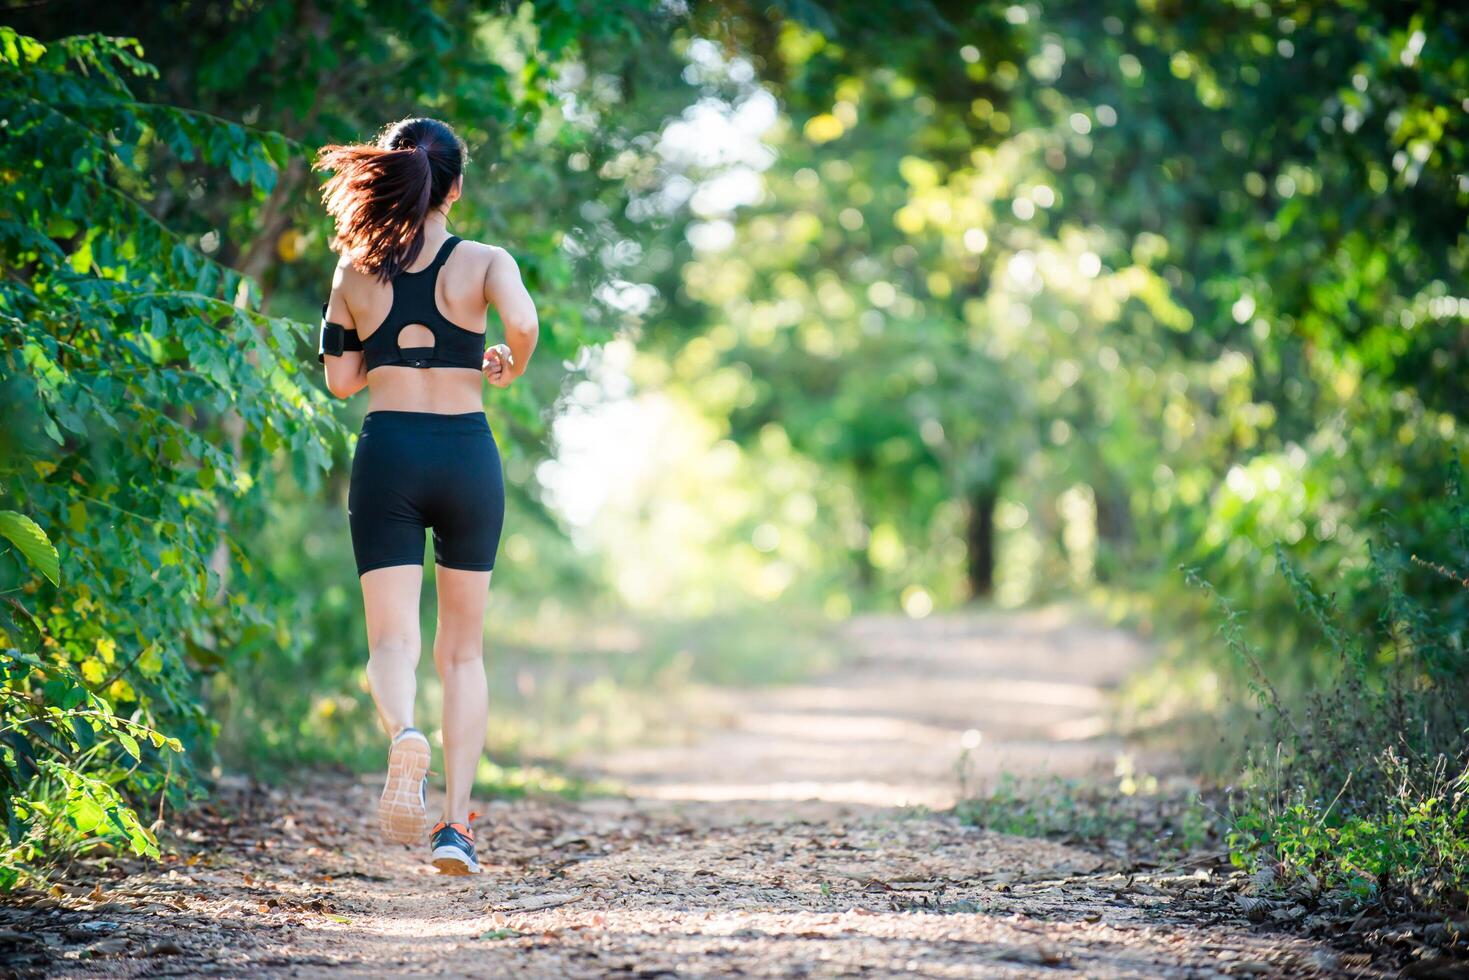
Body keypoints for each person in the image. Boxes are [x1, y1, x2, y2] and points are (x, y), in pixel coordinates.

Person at [314, 117, 539, 875]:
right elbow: (525, 323)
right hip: (466, 455)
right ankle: (455, 830)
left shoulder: (353, 270)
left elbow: (341, 382)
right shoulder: (483, 261)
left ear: (390, 177)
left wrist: (362, 332)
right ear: (456, 186)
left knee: (392, 644)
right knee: (462, 653)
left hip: (390, 454)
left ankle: (404, 732)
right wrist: (508, 360)